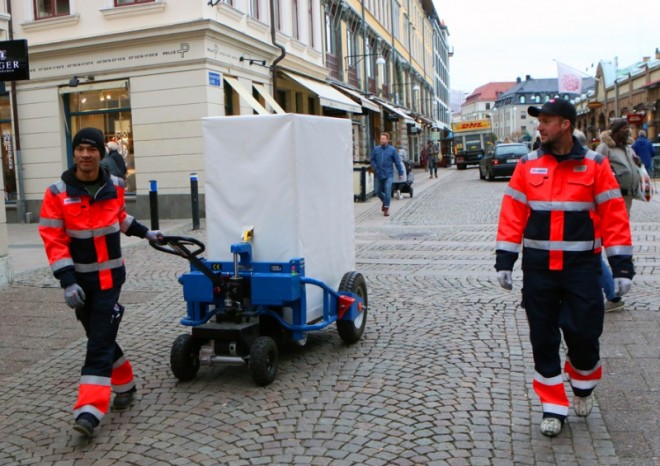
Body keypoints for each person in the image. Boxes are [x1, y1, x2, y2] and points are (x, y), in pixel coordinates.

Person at [495, 99, 634, 437]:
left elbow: (614, 216)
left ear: (566, 125)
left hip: (581, 268)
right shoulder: (528, 165)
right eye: (539, 121)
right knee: (543, 338)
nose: (539, 127)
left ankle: (584, 383)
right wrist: (505, 260)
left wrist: (621, 266)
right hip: (539, 269)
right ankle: (553, 407)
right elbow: (512, 214)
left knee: (584, 334)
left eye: (546, 120)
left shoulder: (596, 166)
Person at [38, 127, 163, 438]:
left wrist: (146, 232)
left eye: (90, 149)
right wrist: (67, 281)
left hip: (110, 281)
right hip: (80, 284)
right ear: (74, 154)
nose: (85, 154)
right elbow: (53, 239)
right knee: (99, 335)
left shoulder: (116, 186)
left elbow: (119, 217)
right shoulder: (56, 193)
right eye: (79, 148)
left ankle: (90, 410)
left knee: (97, 343)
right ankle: (126, 384)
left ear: (100, 153)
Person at [574, 129, 624, 312]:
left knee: (594, 260)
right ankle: (612, 294)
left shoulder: (590, 162)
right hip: (592, 225)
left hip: (590, 227)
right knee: (594, 259)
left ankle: (613, 295)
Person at [595, 119, 640, 214]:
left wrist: (638, 163)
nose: (628, 130)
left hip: (628, 195)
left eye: (628, 127)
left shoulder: (628, 148)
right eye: (624, 128)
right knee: (617, 223)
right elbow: (596, 169)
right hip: (614, 195)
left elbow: (632, 167)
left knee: (624, 222)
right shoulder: (604, 147)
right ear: (615, 131)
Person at [370, 131, 403, 217]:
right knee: (377, 191)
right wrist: (374, 167)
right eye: (381, 139)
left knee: (387, 190)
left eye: (383, 139)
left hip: (388, 174)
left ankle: (386, 208)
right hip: (379, 173)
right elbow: (372, 159)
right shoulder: (376, 149)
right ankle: (385, 201)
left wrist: (400, 172)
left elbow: (397, 162)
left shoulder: (392, 150)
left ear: (387, 140)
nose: (381, 140)